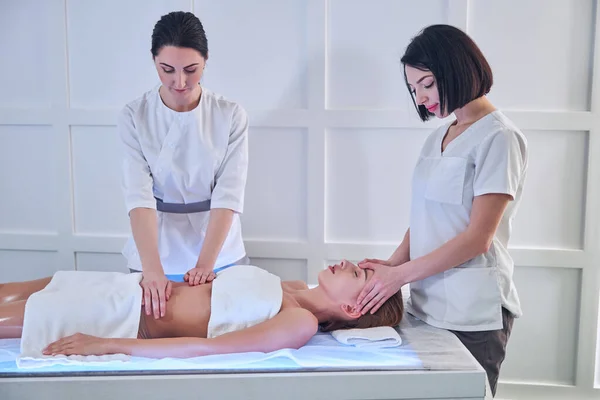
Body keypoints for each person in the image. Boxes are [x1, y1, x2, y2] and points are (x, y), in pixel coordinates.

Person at [355, 24, 527, 397]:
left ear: (455, 68)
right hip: (426, 306)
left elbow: (478, 239)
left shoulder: (499, 138)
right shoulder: (439, 137)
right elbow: (425, 216)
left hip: (472, 312)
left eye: (427, 84)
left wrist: (399, 276)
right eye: (413, 89)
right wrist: (392, 266)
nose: (420, 98)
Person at [118, 11, 250, 321]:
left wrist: (205, 265)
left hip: (219, 249)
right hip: (156, 249)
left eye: (191, 69)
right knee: (147, 329)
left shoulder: (230, 114)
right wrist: (152, 271)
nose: (180, 81)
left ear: (206, 60)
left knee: (226, 326)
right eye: (167, 70)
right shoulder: (134, 115)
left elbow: (228, 195)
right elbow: (138, 198)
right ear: (154, 61)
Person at [0, 261, 403, 359]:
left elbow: (210, 349)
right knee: (9, 291)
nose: (349, 262)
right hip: (128, 285)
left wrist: (107, 344)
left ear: (354, 307)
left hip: (121, 314)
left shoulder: (298, 321)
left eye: (360, 273)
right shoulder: (292, 287)